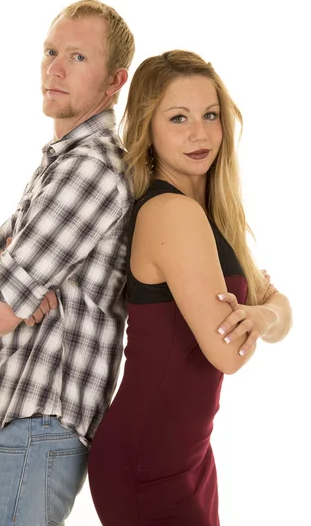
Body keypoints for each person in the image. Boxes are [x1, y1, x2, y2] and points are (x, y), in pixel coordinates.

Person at [88, 50, 292, 526]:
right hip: (147, 463)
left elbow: (277, 313)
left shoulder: (211, 217)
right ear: (148, 128)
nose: (200, 134)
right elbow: (229, 355)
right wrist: (263, 311)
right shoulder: (171, 213)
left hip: (190, 458)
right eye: (178, 118)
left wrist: (261, 316)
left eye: (210, 115)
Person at [0, 0, 135, 526]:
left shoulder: (91, 170)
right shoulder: (59, 165)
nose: (54, 68)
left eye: (78, 57)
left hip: (33, 431)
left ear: (115, 81)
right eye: (51, 51)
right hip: (11, 427)